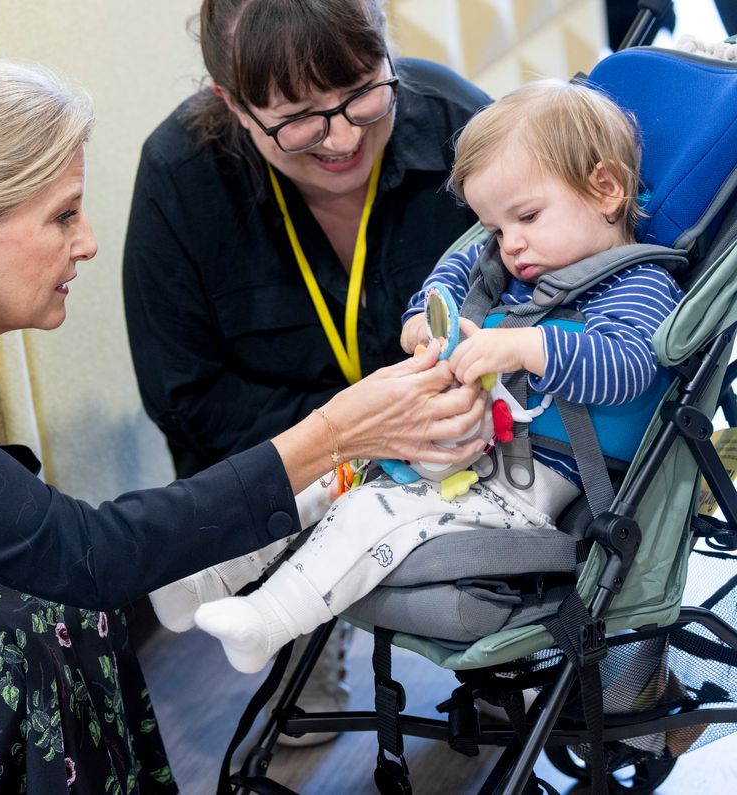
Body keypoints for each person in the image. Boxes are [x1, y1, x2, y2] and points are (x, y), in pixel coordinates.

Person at [0, 61, 484, 792]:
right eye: (63, 216)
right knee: (6, 650)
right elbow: (88, 552)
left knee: (56, 607)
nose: (85, 242)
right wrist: (336, 432)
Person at [186, 78, 685, 674]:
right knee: (327, 474)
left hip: (528, 484)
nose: (510, 245)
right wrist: (425, 316)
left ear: (604, 189)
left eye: (525, 217)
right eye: (497, 228)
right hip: (463, 450)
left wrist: (525, 345)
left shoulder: (639, 286)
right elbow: (459, 265)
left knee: (370, 513)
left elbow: (627, 367)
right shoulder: (519, 269)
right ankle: (213, 575)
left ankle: (269, 620)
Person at [122, 0, 489, 739]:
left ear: (388, 47)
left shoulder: (458, 124)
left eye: (360, 91)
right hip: (289, 469)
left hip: (461, 448)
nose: (343, 135)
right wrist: (352, 432)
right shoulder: (181, 176)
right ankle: (289, 622)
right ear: (231, 103)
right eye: (298, 117)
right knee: (301, 720)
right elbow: (185, 394)